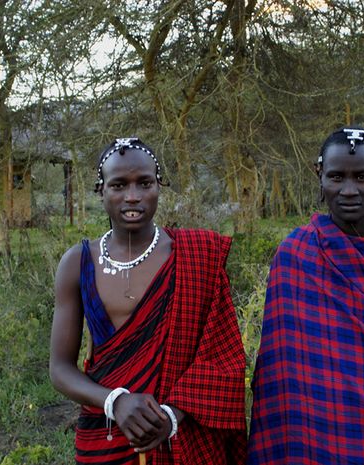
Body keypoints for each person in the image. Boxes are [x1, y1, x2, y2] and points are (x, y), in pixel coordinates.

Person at [248, 127, 364, 464]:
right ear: (320, 177)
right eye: (336, 177)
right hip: (314, 431)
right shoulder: (296, 254)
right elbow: (284, 367)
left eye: (363, 176)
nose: (349, 190)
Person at [49, 137, 247, 465]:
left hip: (185, 432)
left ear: (159, 186)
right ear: (101, 191)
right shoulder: (77, 263)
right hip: (106, 435)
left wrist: (170, 416)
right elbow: (60, 369)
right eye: (118, 185)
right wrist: (115, 402)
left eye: (144, 183)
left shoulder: (197, 256)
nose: (132, 196)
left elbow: (222, 359)